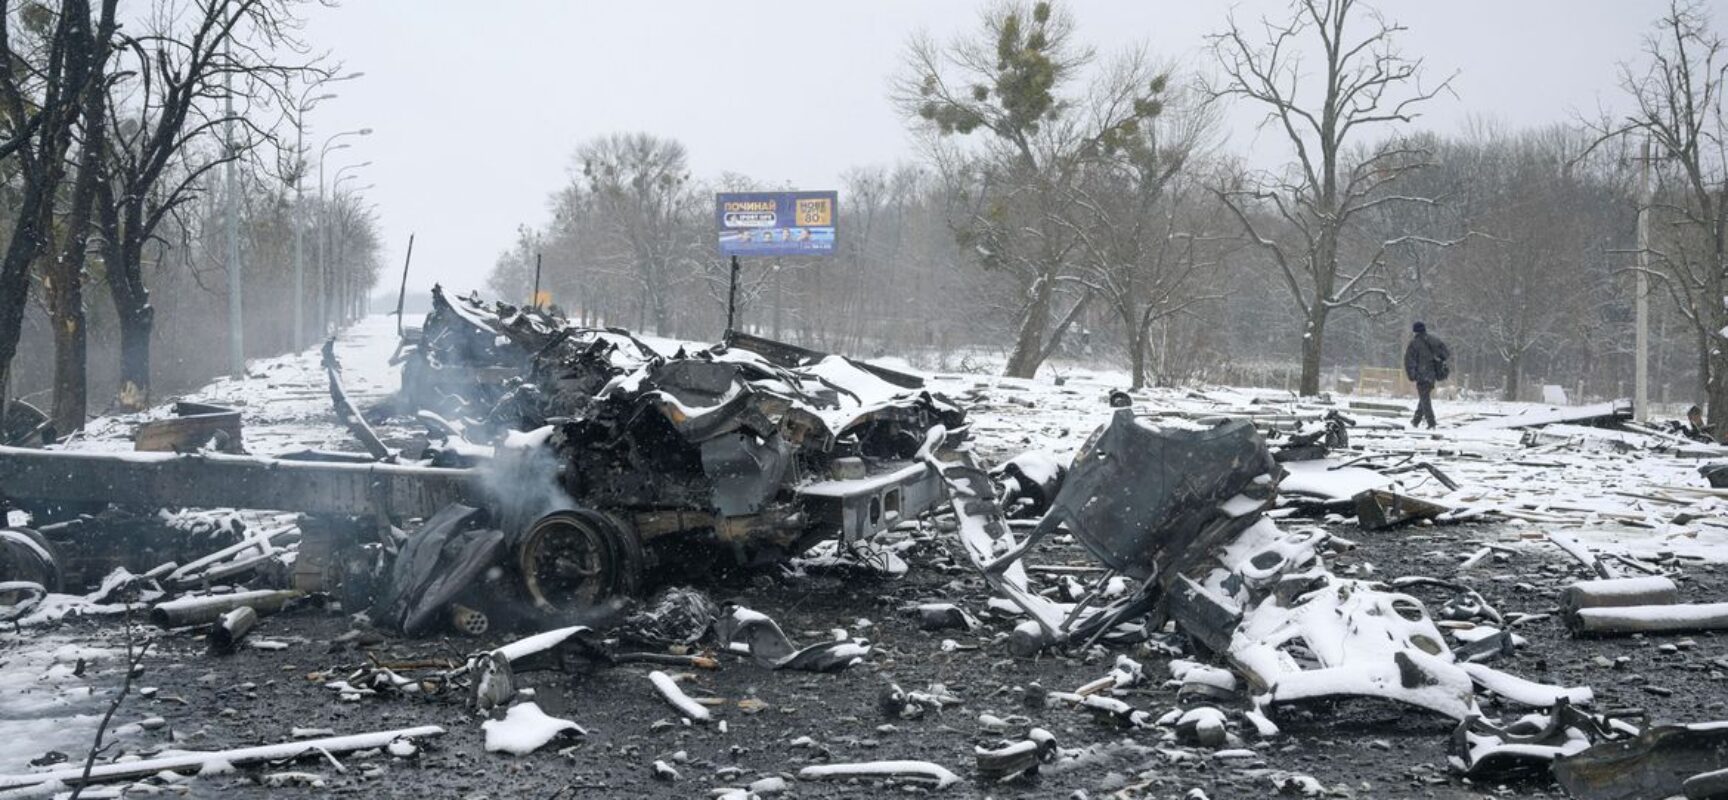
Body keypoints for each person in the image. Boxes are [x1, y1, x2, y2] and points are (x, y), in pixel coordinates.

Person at [1403, 321, 1450, 429]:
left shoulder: (1414, 344)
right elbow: (1446, 353)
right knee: (1424, 397)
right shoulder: (1434, 340)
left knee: (1425, 399)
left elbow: (1409, 361)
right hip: (1432, 374)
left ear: (1415, 332)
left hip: (1421, 374)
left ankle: (1431, 423)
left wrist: (1412, 375)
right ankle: (1415, 421)